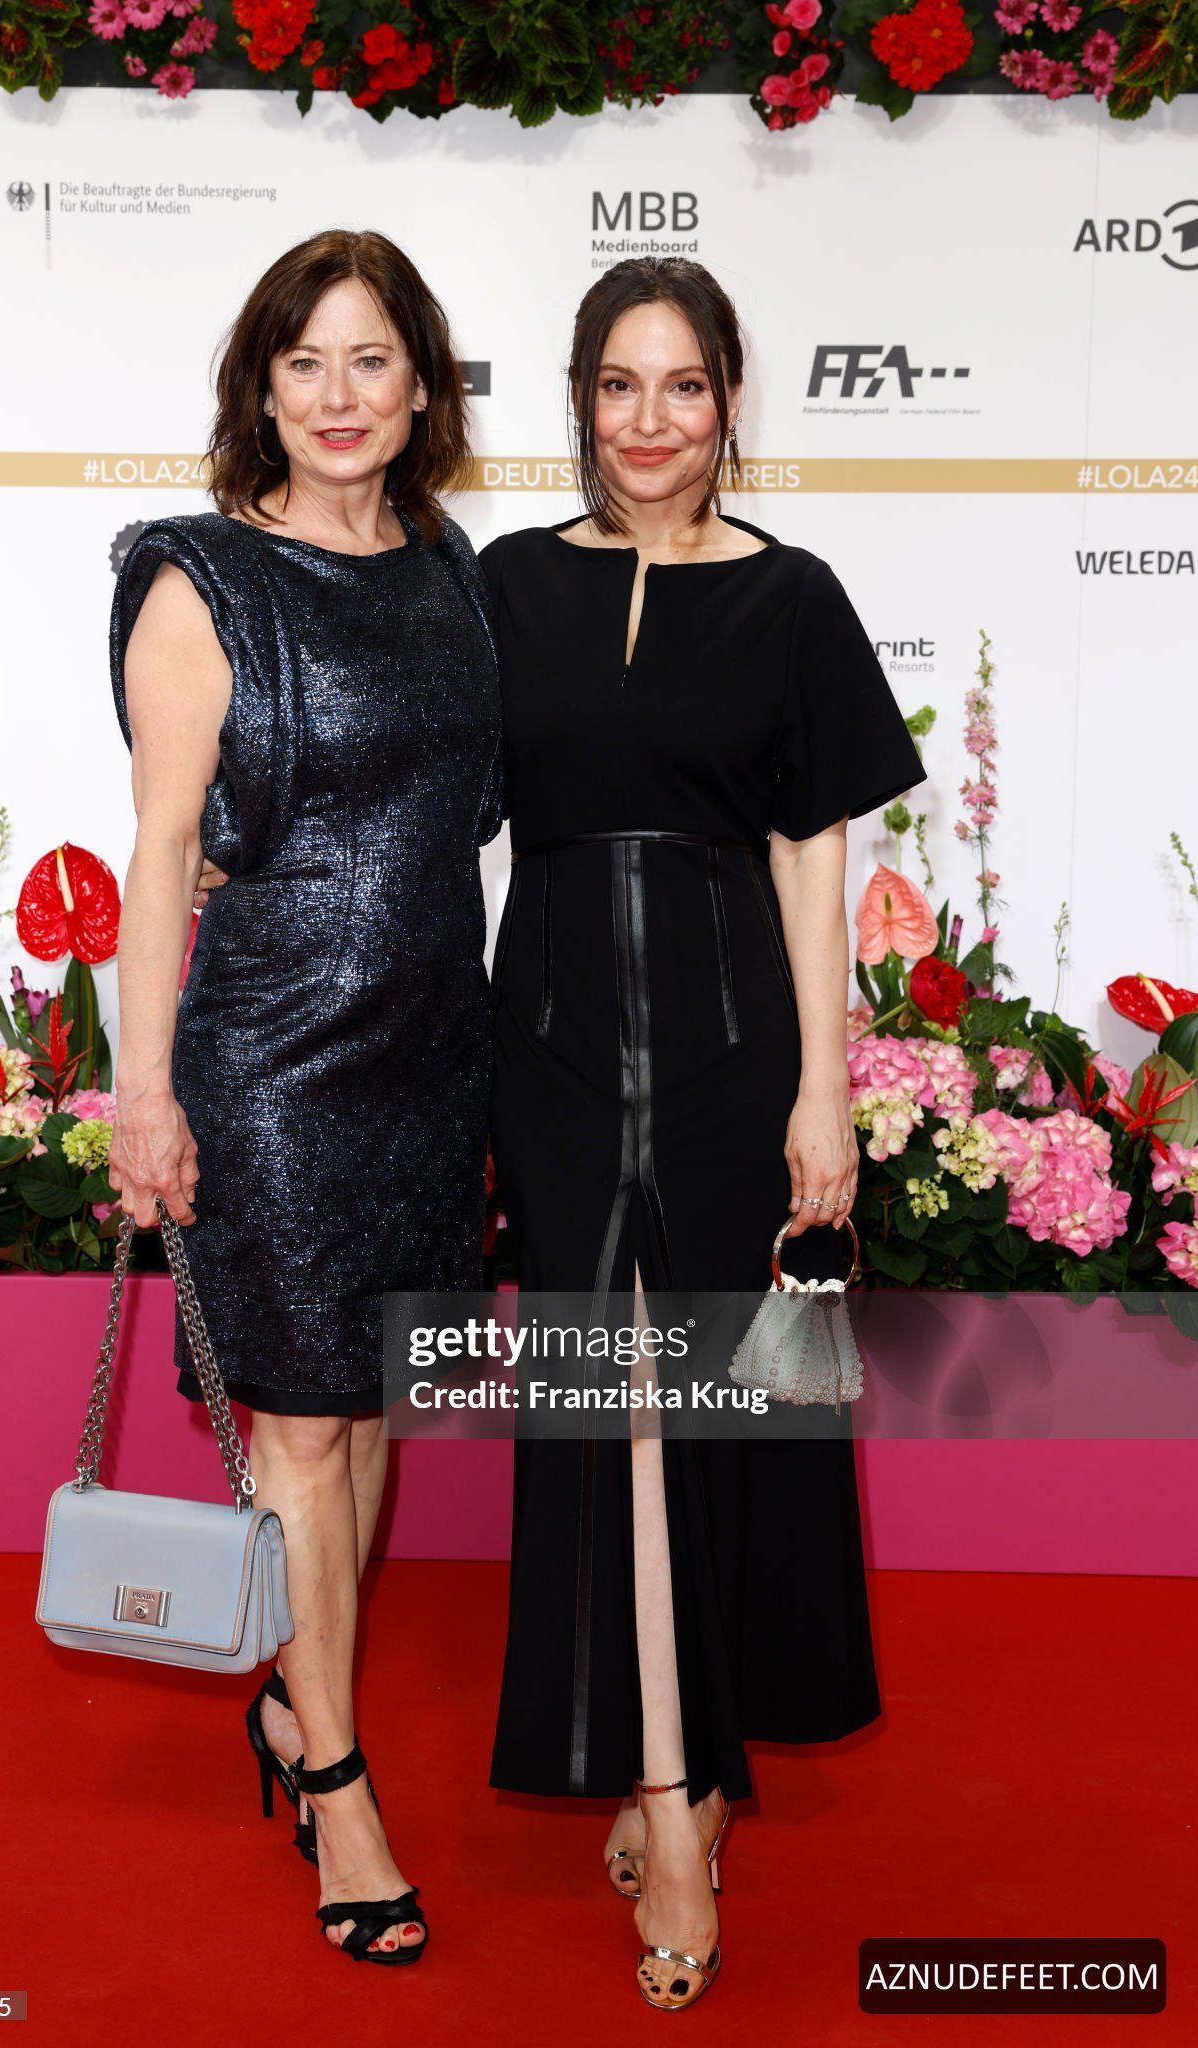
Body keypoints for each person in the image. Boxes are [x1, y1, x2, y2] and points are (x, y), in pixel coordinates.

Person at [478, 256, 927, 2010]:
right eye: (617, 384)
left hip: (737, 1042)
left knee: (724, 1415)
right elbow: (424, 788)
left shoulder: (792, 595)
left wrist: (826, 1087)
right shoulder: (508, 583)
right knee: (609, 1416)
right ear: (578, 398)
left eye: (681, 384)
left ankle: (683, 1776)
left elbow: (812, 855)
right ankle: (671, 1788)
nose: (648, 420)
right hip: (554, 1041)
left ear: (729, 397)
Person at [107, 228, 502, 1969]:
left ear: (420, 385)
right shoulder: (199, 578)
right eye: (304, 362)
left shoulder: (450, 567)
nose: (339, 396)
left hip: (429, 1052)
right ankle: (335, 1781)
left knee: (369, 1412)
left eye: (370, 359)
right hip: (271, 1064)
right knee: (302, 1431)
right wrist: (142, 1089)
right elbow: (159, 851)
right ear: (259, 389)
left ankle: (293, 1699)